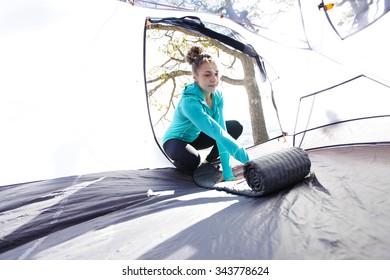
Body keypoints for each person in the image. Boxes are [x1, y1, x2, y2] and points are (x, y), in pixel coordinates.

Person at [162, 46, 249, 181]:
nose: (214, 79)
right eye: (207, 74)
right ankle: (183, 165)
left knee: (234, 127)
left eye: (216, 73)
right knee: (192, 160)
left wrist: (227, 171)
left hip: (196, 137)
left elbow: (222, 130)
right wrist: (250, 162)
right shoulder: (189, 102)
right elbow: (216, 132)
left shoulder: (217, 96)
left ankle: (208, 163)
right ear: (195, 78)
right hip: (175, 141)